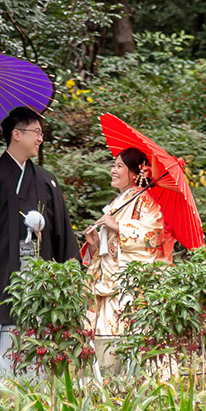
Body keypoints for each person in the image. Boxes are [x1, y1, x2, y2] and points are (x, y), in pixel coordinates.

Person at [0, 105, 79, 379]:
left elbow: (63, 236)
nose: (40, 138)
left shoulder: (47, 181)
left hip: (40, 277)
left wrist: (72, 275)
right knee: (3, 327)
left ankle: (41, 390)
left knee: (40, 331)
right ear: (16, 134)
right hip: (3, 272)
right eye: (36, 132)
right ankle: (0, 387)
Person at [81, 146, 174, 373]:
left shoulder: (145, 202)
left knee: (126, 345)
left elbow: (153, 235)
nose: (113, 170)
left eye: (119, 166)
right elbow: (106, 250)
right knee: (105, 345)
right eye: (113, 165)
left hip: (128, 289)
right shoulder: (118, 203)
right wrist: (93, 242)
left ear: (135, 173)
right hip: (107, 286)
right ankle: (107, 396)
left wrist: (119, 226)